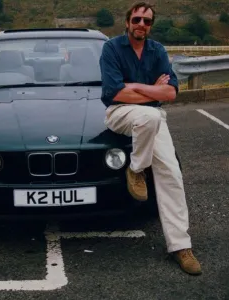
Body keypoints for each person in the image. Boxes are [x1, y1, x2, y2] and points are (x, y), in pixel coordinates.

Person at [99, 1, 202, 275]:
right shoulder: (111, 48)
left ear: (151, 26)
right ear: (127, 22)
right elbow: (114, 92)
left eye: (147, 21)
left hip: (152, 118)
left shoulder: (157, 51)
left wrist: (134, 86)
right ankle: (137, 169)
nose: (141, 25)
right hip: (119, 113)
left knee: (172, 174)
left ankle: (181, 246)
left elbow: (170, 94)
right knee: (151, 116)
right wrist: (152, 91)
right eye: (136, 20)